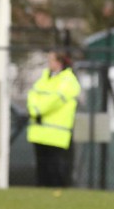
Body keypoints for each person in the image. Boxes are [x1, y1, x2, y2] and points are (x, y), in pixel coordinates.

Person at [26, 49, 81, 187]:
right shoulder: (44, 78)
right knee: (42, 168)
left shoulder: (68, 80)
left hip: (56, 134)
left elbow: (55, 100)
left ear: (59, 62)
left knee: (56, 168)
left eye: (51, 60)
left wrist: (37, 110)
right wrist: (34, 109)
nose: (48, 63)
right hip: (39, 132)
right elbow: (33, 94)